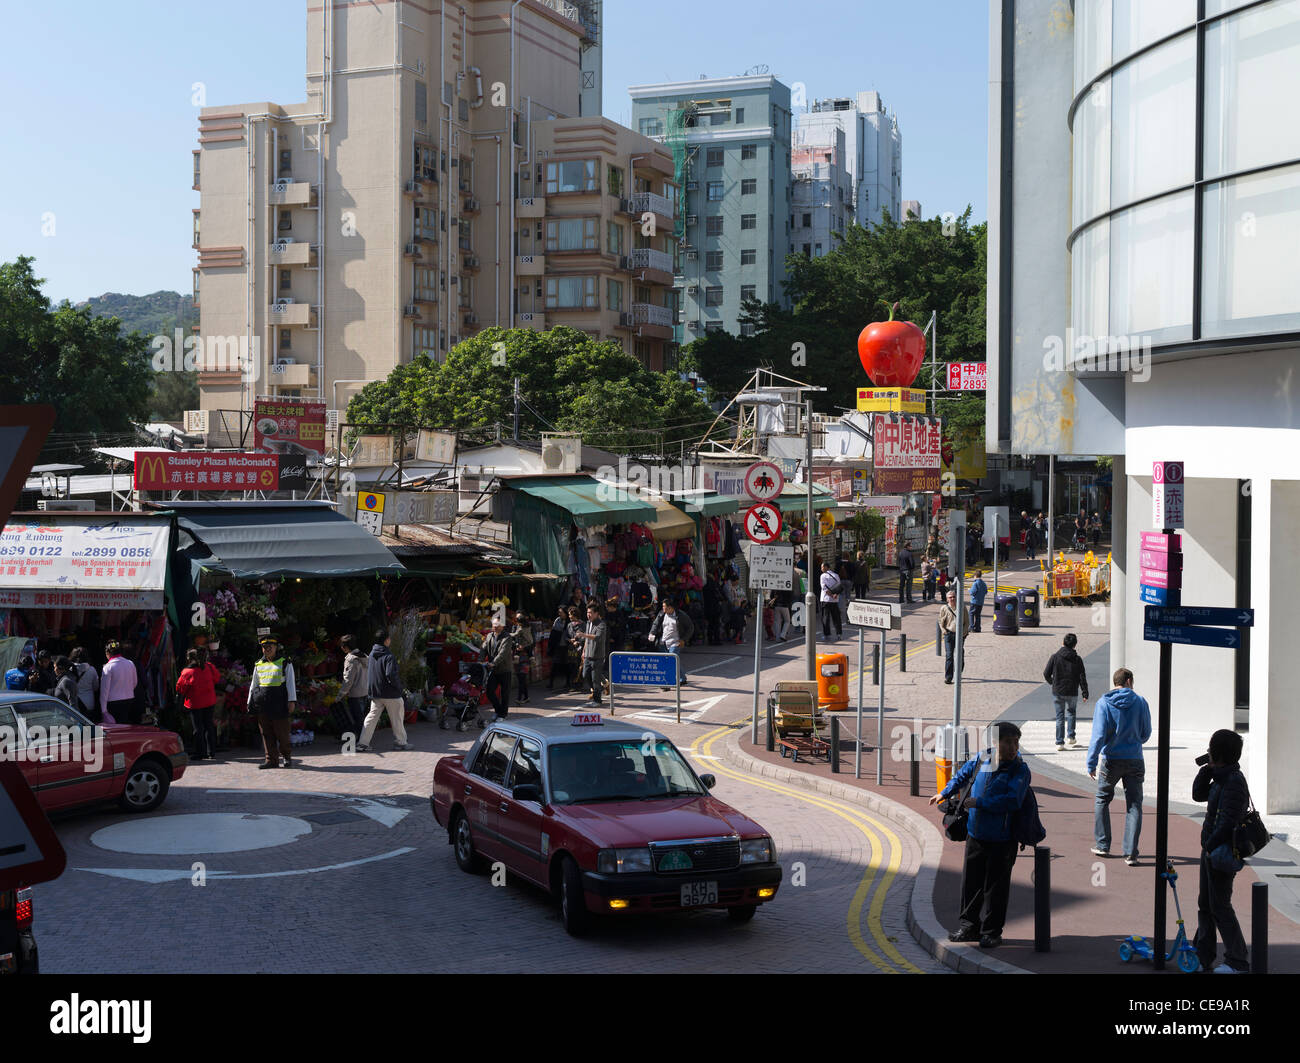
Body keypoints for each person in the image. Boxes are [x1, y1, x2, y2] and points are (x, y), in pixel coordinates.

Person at [929, 722, 1031, 949]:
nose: (1014, 747)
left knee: (996, 887)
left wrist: (980, 803)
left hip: (1003, 839)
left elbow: (1013, 800)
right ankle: (969, 927)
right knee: (971, 883)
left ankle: (992, 932)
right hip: (976, 834)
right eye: (1008, 742)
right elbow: (962, 775)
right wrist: (944, 792)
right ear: (995, 743)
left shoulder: (1019, 769)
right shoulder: (983, 758)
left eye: (1016, 742)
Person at [1192, 729, 1251, 974]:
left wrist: (1210, 846)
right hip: (1211, 851)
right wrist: (1206, 768)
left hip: (1221, 853)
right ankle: (1203, 955)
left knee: (1220, 906)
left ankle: (1237, 961)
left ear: (1219, 752)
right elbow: (1198, 795)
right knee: (1206, 905)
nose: (1207, 751)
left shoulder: (1234, 781)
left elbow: (1227, 822)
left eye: (1210, 748)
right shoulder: (1219, 776)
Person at [1086, 667, 1152, 864]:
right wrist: (1134, 739)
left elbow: (1098, 736)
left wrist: (1091, 761)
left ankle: (1103, 844)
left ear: (1115, 682)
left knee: (1102, 799)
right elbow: (1146, 733)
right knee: (1134, 804)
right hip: (1134, 759)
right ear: (1129, 681)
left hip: (1111, 760)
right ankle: (1131, 852)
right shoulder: (1140, 702)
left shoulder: (1103, 703)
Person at [247, 635, 298, 768]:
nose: (267, 649)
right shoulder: (258, 664)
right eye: (264, 647)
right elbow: (254, 685)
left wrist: (292, 700)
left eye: (270, 647)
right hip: (263, 704)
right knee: (266, 733)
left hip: (279, 704)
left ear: (276, 647)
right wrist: (249, 702)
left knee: (282, 733)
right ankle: (271, 760)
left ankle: (286, 757)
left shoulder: (285, 662)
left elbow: (291, 683)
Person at [358, 629, 410, 752]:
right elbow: (390, 674)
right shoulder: (389, 656)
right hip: (391, 693)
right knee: (397, 718)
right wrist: (399, 688)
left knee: (371, 717)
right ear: (386, 640)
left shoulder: (371, 654)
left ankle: (363, 743)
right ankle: (401, 742)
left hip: (376, 693)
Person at [1043, 632, 1089, 751]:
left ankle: (1059, 742)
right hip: (1072, 690)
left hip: (1058, 691)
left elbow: (1046, 673)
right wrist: (1085, 692)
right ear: (1075, 645)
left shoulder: (1055, 657)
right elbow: (1082, 677)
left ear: (1063, 643)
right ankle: (1071, 737)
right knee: (1072, 713)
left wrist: (1053, 683)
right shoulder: (1077, 659)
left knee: (1060, 716)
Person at [176, 647, 221, 760]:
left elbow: (180, 688)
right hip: (210, 701)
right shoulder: (209, 667)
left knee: (198, 728)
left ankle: (200, 752)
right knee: (209, 726)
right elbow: (217, 679)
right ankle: (212, 751)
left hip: (195, 703)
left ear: (189, 659)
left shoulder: (187, 672)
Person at [649, 598, 693, 688]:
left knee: (670, 661)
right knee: (672, 661)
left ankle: (666, 682)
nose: (663, 608)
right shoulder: (661, 614)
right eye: (663, 606)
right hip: (663, 642)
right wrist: (652, 633)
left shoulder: (681, 615)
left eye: (664, 607)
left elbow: (690, 628)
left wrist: (683, 639)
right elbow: (655, 624)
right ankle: (682, 679)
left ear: (671, 607)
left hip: (676, 642)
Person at [481, 617, 515, 721]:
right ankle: (498, 710)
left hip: (505, 669)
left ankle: (502, 715)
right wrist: (480, 659)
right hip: (493, 670)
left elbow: (503, 653)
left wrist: (493, 663)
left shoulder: (507, 637)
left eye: (497, 625)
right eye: (493, 625)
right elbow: (483, 649)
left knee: (505, 694)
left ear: (502, 626)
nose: (494, 627)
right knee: (490, 691)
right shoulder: (489, 636)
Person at [338, 635, 369, 745]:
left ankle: (362, 742)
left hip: (355, 694)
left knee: (357, 719)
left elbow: (348, 680)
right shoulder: (364, 656)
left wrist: (340, 695)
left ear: (345, 647)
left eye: (342, 646)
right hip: (365, 691)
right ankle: (363, 739)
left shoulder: (351, 659)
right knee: (362, 718)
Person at [101, 642, 139, 726]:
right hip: (129, 699)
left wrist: (103, 710)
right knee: (126, 725)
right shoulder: (130, 663)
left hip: (113, 703)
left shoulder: (108, 667)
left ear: (108, 653)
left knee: (116, 728)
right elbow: (135, 682)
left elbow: (104, 691)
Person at [578, 605, 607, 706]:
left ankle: (597, 700)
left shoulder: (601, 624)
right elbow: (587, 640)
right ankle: (599, 689)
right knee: (585, 675)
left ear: (596, 613)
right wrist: (584, 651)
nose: (588, 614)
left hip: (597, 656)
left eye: (590, 612)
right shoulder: (588, 623)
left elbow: (597, 637)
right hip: (587, 655)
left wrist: (583, 635)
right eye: (587, 612)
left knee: (595, 678)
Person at [938, 589, 969, 684]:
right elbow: (940, 621)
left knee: (960, 655)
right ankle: (948, 677)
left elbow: (967, 622)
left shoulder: (962, 607)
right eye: (950, 597)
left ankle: (958, 673)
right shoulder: (944, 608)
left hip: (960, 635)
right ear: (947, 599)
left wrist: (963, 634)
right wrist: (944, 631)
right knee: (949, 655)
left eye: (953, 597)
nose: (952, 598)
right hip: (949, 634)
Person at [69, 647, 100, 721]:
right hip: (88, 703)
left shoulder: (69, 669)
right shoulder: (92, 669)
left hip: (73, 703)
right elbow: (96, 687)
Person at [548, 606, 574, 690]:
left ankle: (568, 682)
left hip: (566, 646)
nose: (559, 614)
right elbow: (553, 632)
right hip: (558, 645)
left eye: (561, 612)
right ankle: (551, 683)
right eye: (559, 612)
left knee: (567, 665)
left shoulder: (569, 622)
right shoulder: (557, 620)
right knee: (554, 664)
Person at [510, 612, 534, 705]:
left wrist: (506, 634)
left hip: (524, 657)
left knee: (522, 677)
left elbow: (514, 635)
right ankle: (526, 697)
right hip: (520, 656)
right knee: (521, 678)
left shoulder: (521, 629)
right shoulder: (528, 628)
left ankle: (519, 698)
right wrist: (516, 645)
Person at [818, 561, 844, 640]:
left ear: (826, 567)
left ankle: (827, 635)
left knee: (825, 617)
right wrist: (835, 595)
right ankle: (839, 634)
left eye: (822, 567)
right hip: (835, 600)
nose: (821, 569)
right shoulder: (836, 575)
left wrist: (831, 595)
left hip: (825, 599)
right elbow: (839, 587)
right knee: (836, 618)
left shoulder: (823, 576)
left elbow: (824, 588)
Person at [723, 574, 747, 643]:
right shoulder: (728, 587)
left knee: (738, 619)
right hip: (730, 608)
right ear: (734, 581)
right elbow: (731, 599)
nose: (737, 583)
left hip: (735, 608)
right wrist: (737, 601)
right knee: (737, 620)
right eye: (737, 581)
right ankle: (736, 636)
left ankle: (736, 635)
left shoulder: (732, 586)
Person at [702, 570, 724, 645]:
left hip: (707, 608)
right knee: (716, 624)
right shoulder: (715, 585)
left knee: (710, 624)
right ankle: (716, 639)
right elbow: (720, 596)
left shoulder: (704, 586)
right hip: (715, 607)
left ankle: (710, 639)